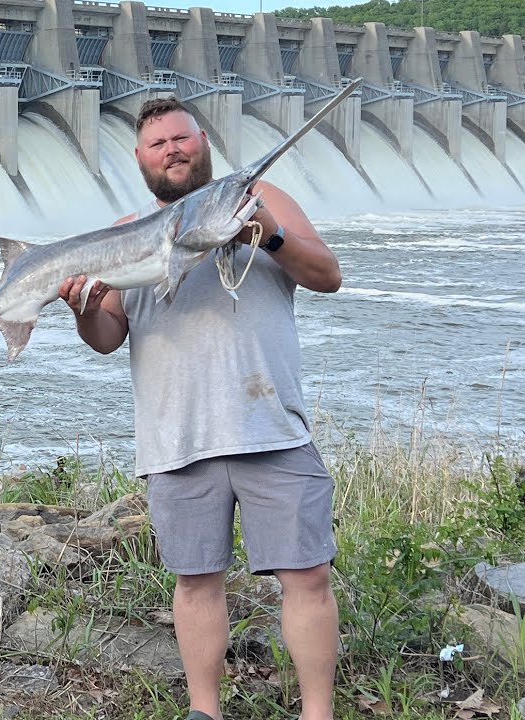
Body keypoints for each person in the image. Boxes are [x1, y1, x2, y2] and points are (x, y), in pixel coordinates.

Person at [58, 99, 343, 720]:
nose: (172, 150)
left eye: (180, 138)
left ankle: (317, 713)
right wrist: (82, 306)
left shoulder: (258, 197)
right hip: (176, 435)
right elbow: (109, 337)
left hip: (271, 427)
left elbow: (327, 274)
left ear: (203, 140)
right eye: (157, 144)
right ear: (140, 159)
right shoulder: (126, 231)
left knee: (308, 577)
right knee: (195, 581)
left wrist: (267, 233)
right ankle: (204, 712)